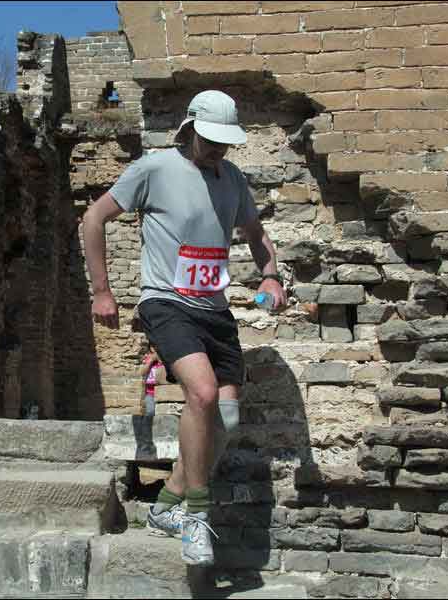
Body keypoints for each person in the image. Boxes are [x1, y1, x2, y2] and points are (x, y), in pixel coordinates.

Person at [82, 90, 287, 566]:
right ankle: (196, 515)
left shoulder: (232, 178)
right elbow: (94, 218)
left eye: (225, 142)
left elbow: (256, 236)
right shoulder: (154, 169)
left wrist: (271, 275)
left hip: (214, 310)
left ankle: (167, 504)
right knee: (202, 393)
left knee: (227, 420)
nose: (218, 149)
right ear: (189, 128)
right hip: (166, 302)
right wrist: (101, 290)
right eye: (211, 140)